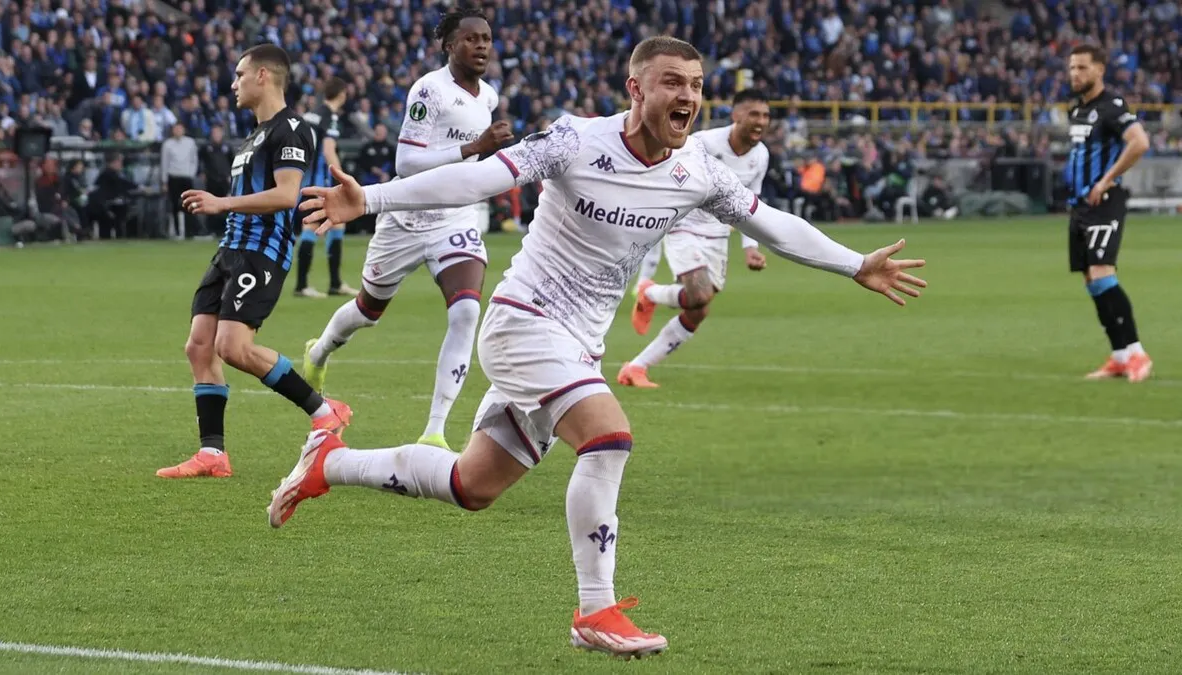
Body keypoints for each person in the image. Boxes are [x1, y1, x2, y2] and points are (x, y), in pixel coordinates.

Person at [278, 37, 925, 657]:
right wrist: (372, 199)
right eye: (673, 82)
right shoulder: (574, 139)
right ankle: (595, 609)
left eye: (697, 86)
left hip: (577, 348)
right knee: (608, 436)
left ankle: (328, 462)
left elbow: (773, 223)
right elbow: (477, 181)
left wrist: (854, 263)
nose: (688, 96)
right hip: (523, 321)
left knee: (471, 484)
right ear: (634, 88)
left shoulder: (696, 170)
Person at [301, 7, 511, 450]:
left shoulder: (488, 97)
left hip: (454, 218)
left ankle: (434, 431)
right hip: (405, 216)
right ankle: (319, 351)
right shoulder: (428, 89)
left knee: (466, 312)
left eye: (486, 39)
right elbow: (406, 163)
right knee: (366, 312)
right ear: (449, 45)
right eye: (471, 39)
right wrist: (475, 147)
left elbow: (474, 163)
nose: (481, 47)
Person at [156, 44, 352, 480]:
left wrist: (221, 202)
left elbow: (287, 195)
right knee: (199, 345)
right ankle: (212, 454)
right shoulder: (252, 136)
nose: (233, 83)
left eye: (240, 74)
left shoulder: (293, 128)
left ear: (263, 76)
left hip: (262, 251)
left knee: (233, 347)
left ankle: (325, 409)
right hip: (231, 250)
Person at [620, 88, 771, 388]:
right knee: (699, 294)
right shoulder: (704, 143)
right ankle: (648, 293)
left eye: (766, 115)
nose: (761, 121)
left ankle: (636, 367)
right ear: (736, 115)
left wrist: (750, 247)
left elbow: (749, 200)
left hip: (718, 231)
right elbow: (666, 170)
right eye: (754, 114)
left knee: (698, 309)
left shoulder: (761, 155)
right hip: (684, 222)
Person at [1063, 44, 1152, 381]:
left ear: (1099, 70)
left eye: (1082, 68)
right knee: (1091, 281)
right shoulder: (1076, 110)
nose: (1075, 74)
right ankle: (1118, 356)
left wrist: (1106, 180)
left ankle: (1137, 353)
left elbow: (1139, 142)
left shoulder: (1112, 107)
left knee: (1102, 273)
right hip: (1080, 207)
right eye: (1072, 68)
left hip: (1105, 202)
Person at [294, 76, 355, 298]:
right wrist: (344, 180)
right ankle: (302, 286)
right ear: (341, 94)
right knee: (312, 229)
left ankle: (335, 283)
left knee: (337, 225)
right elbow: (329, 151)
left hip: (306, 178)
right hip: (321, 182)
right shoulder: (330, 117)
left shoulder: (311, 114)